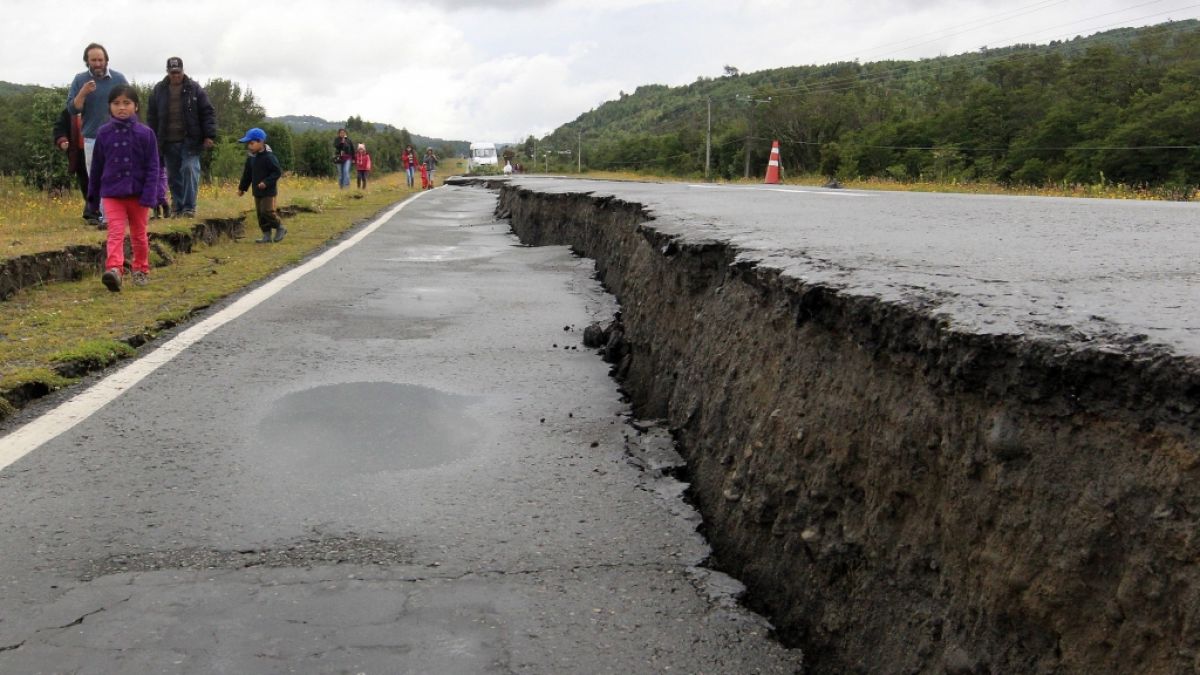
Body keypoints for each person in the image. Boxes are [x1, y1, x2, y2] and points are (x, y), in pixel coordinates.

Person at [87, 85, 158, 292]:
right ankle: (115, 270)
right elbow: (97, 167)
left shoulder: (146, 133)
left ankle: (141, 269)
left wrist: (150, 195)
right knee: (115, 232)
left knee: (139, 235)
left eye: (127, 103)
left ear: (136, 106)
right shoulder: (103, 133)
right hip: (112, 193)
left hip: (139, 194)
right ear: (109, 107)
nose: (121, 107)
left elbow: (153, 167)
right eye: (116, 103)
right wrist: (92, 198)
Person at [146, 56, 217, 219]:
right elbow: (152, 116)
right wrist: (152, 138)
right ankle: (178, 207)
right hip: (167, 140)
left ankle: (189, 207)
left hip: (190, 139)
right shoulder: (159, 90)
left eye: (178, 72)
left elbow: (207, 112)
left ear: (183, 71)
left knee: (189, 169)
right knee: (173, 176)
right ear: (168, 72)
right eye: (172, 73)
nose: (176, 75)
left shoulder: (194, 89)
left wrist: (209, 135)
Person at [67, 43, 128, 225]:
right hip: (92, 138)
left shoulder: (119, 78)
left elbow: (131, 104)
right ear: (87, 61)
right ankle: (105, 217)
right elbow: (72, 109)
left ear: (106, 60)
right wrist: (83, 93)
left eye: (100, 59)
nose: (98, 63)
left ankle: (114, 216)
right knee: (97, 178)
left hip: (118, 136)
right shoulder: (80, 80)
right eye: (93, 60)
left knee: (118, 175)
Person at [237, 127, 285, 244]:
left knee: (266, 211)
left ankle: (280, 227)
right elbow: (247, 174)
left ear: (261, 142)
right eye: (248, 144)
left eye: (252, 143)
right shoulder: (251, 158)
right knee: (260, 214)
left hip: (268, 192)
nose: (249, 146)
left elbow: (277, 172)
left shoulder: (269, 157)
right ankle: (266, 235)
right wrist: (242, 188)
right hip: (257, 191)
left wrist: (266, 182)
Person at [51, 107, 94, 223]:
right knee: (86, 183)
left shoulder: (99, 108)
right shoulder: (69, 112)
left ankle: (93, 212)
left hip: (99, 152)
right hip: (79, 154)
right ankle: (92, 212)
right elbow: (59, 129)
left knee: (98, 181)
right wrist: (62, 140)